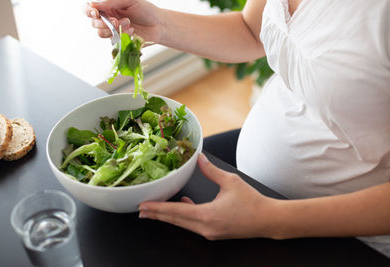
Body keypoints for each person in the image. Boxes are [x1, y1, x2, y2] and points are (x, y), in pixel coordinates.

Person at [85, 0, 390, 257]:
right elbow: (250, 32)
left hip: (348, 236)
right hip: (252, 189)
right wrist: (157, 24)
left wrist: (271, 220)